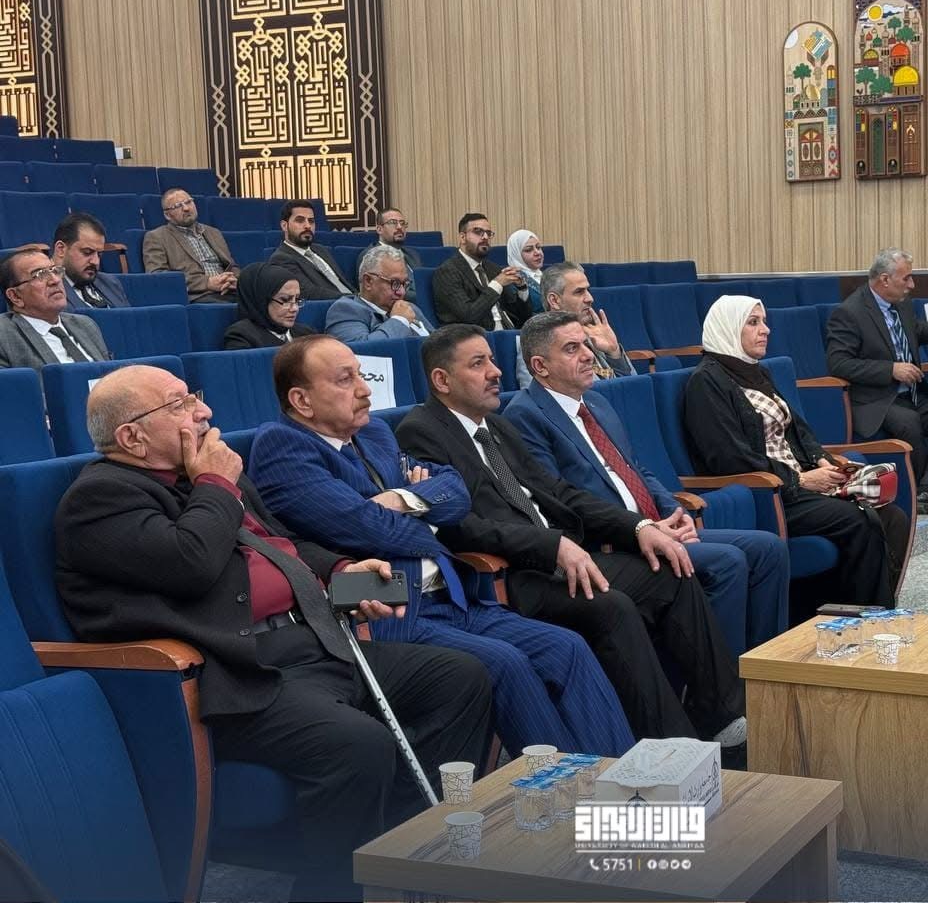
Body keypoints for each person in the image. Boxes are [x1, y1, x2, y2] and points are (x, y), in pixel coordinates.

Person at [55, 364, 492, 901]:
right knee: (358, 745)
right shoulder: (102, 498)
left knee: (460, 678)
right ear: (131, 437)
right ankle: (331, 892)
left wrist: (341, 573)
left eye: (195, 396)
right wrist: (216, 483)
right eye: (179, 405)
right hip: (240, 674)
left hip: (314, 642)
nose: (204, 411)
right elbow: (191, 563)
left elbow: (283, 545)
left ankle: (401, 856)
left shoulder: (207, 476)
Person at [248, 335, 633, 756]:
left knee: (567, 647)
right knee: (505, 663)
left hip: (453, 594)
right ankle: (564, 787)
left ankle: (618, 777)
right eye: (345, 380)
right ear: (302, 401)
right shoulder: (282, 447)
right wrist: (424, 511)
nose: (364, 390)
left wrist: (402, 500)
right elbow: (372, 528)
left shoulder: (374, 432)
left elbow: (456, 491)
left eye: (361, 375)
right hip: (388, 609)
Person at [396, 323, 747, 749]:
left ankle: (720, 715)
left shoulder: (497, 427)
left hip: (562, 557)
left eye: (491, 359)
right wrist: (552, 546)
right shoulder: (421, 432)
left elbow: (560, 493)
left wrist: (638, 527)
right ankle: (669, 747)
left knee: (673, 568)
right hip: (515, 575)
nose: (496, 371)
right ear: (442, 380)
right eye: (478, 363)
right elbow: (461, 526)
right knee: (611, 607)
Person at [506, 311, 789, 657]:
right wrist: (642, 528)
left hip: (655, 525)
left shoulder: (596, 402)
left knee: (768, 549)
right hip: (615, 542)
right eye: (571, 348)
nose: (588, 355)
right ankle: (727, 677)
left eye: (586, 344)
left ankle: (766, 666)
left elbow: (636, 469)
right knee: (726, 562)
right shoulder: (525, 415)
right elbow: (560, 500)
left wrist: (675, 512)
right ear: (540, 366)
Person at [683, 296, 911, 610]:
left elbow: (797, 428)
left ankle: (880, 608)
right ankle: (857, 616)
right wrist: (799, 479)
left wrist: (822, 459)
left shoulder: (755, 372)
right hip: (768, 494)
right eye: (753, 322)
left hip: (796, 485)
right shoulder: (706, 382)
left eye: (764, 322)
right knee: (858, 519)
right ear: (728, 328)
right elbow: (727, 457)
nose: (765, 330)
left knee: (893, 517)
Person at [826, 248, 928, 515]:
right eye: (906, 278)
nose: (912, 285)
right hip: (875, 400)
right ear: (885, 279)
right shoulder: (850, 313)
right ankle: (915, 492)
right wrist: (890, 369)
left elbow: (919, 330)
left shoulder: (901, 304)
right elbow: (839, 363)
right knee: (909, 421)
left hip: (910, 394)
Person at [516, 262, 634, 387]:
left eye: (587, 290)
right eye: (579, 292)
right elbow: (538, 397)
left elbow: (633, 388)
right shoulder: (535, 343)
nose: (590, 298)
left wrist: (614, 353)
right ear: (554, 300)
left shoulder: (596, 335)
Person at [0, 248, 110, 368]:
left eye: (56, 271)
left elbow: (108, 372)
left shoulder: (85, 324)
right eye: (40, 275)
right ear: (15, 296)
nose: (56, 280)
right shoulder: (4, 335)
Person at [432, 212, 532, 329]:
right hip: (473, 336)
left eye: (488, 233)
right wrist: (497, 284)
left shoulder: (493, 269)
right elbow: (469, 316)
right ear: (463, 237)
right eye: (478, 232)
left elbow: (523, 317)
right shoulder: (447, 272)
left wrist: (521, 288)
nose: (485, 237)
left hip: (509, 332)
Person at [142, 188, 239, 303]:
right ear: (167, 215)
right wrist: (207, 283)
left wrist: (233, 280)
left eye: (188, 202)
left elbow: (232, 266)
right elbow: (158, 277)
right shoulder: (156, 237)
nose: (186, 208)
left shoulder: (214, 232)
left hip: (229, 290)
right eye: (178, 206)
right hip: (199, 296)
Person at [325, 245, 433, 343]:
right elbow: (363, 350)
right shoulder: (346, 310)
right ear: (368, 281)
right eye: (394, 283)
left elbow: (437, 342)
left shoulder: (409, 308)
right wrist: (400, 320)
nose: (402, 292)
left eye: (405, 284)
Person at [268, 200, 354, 300]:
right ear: (284, 226)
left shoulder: (320, 250)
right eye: (300, 221)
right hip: (336, 305)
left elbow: (342, 283)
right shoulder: (281, 258)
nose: (308, 226)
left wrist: (361, 298)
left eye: (311, 221)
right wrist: (353, 298)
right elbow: (308, 292)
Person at [222, 263, 317, 350]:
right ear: (261, 300)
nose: (295, 308)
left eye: (297, 299)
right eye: (284, 300)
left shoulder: (306, 333)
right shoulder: (242, 336)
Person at [52, 213, 130, 309]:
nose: (96, 262)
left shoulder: (111, 283)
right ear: (61, 249)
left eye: (99, 254)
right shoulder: (46, 289)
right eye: (87, 252)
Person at [358, 207, 419, 301]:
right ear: (379, 229)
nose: (399, 227)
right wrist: (423, 297)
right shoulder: (371, 255)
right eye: (393, 223)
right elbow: (378, 291)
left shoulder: (412, 254)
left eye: (402, 223)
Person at [506, 228, 545, 312]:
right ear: (517, 254)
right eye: (528, 250)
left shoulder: (544, 275)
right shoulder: (513, 280)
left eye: (538, 247)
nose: (537, 253)